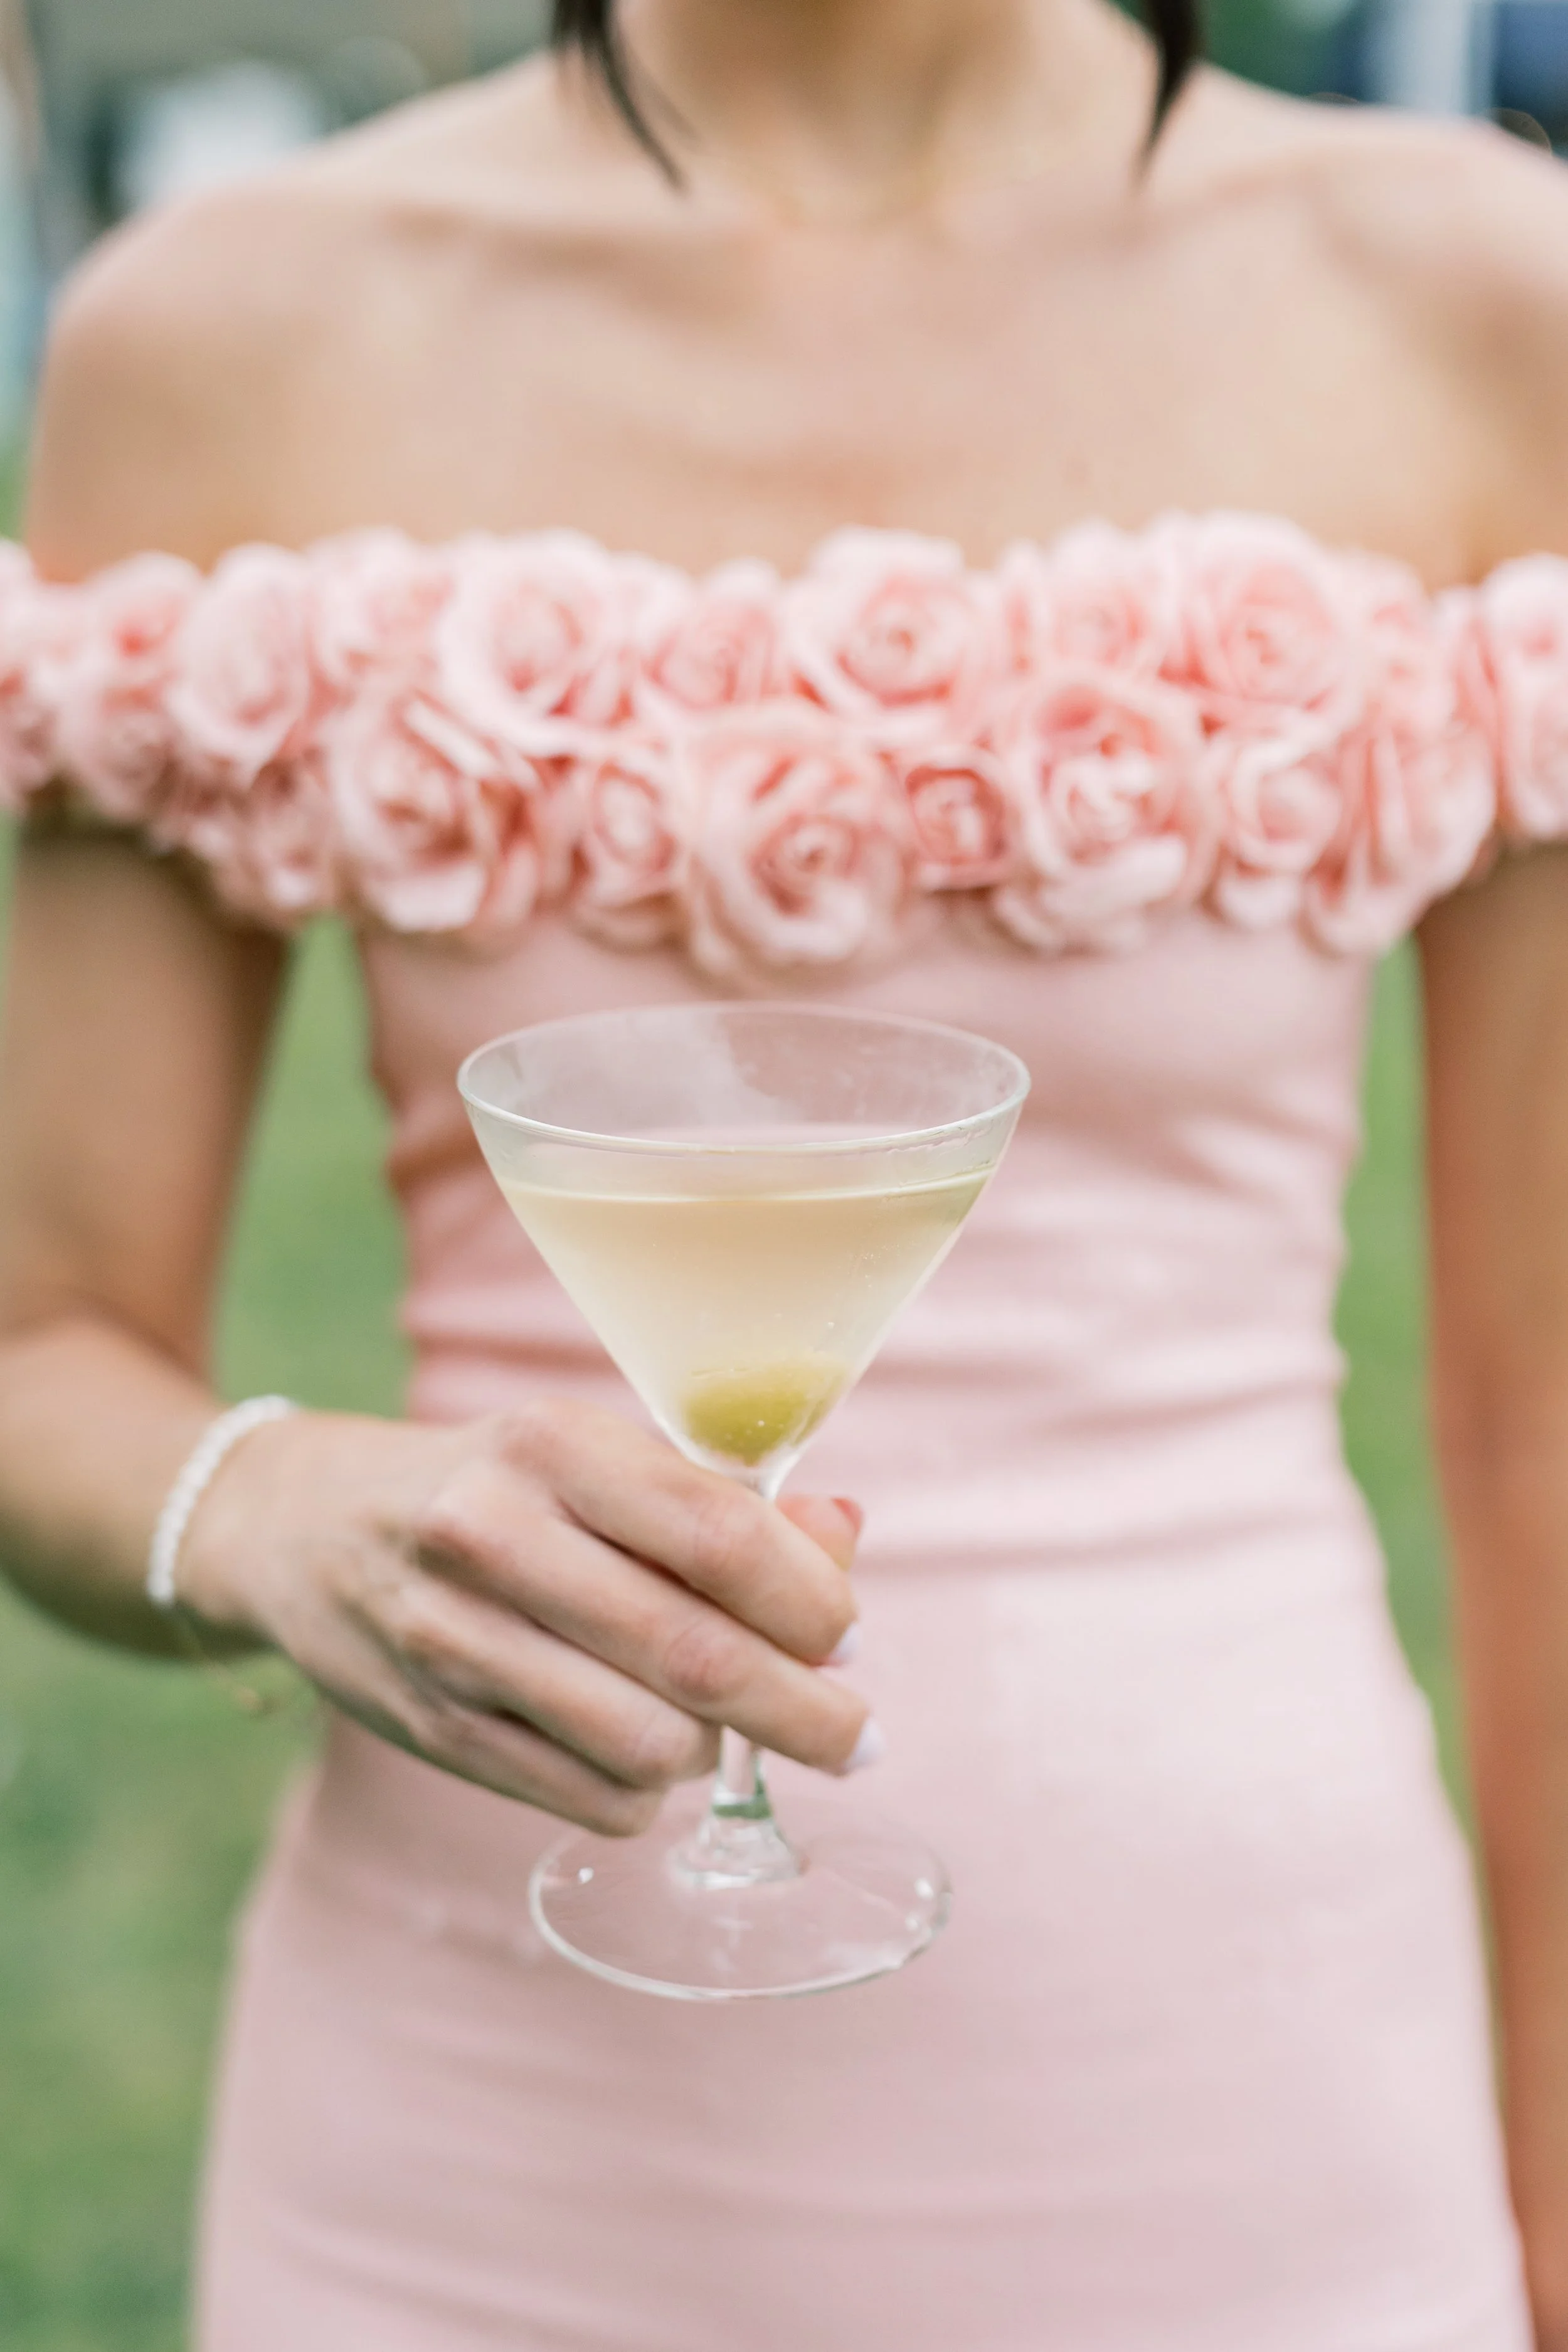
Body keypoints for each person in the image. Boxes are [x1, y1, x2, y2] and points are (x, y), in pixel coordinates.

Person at [2, 0, 1568, 2340]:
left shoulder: (1480, 301)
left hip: (1255, 2116)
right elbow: (37, 1344)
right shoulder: (230, 330)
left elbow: (1547, 1428)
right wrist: (279, 1500)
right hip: (464, 2167)